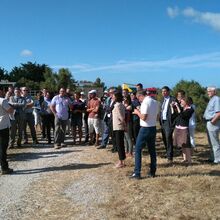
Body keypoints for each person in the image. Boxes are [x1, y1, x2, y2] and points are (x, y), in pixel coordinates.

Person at [130, 88, 159, 179]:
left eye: (138, 98)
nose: (139, 100)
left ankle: (137, 173)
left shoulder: (145, 102)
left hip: (145, 128)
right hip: (153, 127)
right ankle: (152, 171)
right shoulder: (155, 102)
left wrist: (137, 112)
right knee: (152, 150)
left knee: (138, 150)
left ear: (140, 96)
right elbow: (157, 116)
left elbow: (144, 117)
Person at [172, 97, 194, 165]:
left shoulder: (190, 109)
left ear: (186, 102)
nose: (180, 103)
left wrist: (178, 107)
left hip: (184, 128)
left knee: (186, 145)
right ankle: (185, 159)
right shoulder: (182, 108)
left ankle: (189, 161)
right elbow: (175, 114)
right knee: (182, 144)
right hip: (178, 127)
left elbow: (183, 116)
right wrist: (172, 107)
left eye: (181, 101)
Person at [159, 86, 178, 163]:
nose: (163, 93)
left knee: (168, 139)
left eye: (165, 91)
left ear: (168, 91)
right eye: (162, 91)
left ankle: (170, 157)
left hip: (169, 122)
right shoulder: (162, 100)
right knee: (164, 139)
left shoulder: (173, 99)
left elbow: (176, 111)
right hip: (162, 122)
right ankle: (168, 154)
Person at [203, 86, 220, 164]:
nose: (208, 92)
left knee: (215, 142)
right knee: (211, 142)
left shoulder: (216, 99)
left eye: (209, 91)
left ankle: (217, 159)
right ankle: (212, 157)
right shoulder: (212, 100)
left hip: (213, 123)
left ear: (214, 91)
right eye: (207, 91)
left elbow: (218, 113)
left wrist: (212, 121)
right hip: (209, 122)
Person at [0, 86, 14, 175]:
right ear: (1, 91)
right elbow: (10, 110)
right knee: (2, 148)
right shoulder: (2, 100)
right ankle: (4, 168)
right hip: (2, 126)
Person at [112, 91, 126, 168]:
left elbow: (121, 117)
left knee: (119, 145)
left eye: (113, 96)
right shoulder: (121, 105)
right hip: (118, 127)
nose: (112, 97)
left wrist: (125, 126)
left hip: (118, 127)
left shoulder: (117, 105)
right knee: (120, 144)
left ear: (116, 97)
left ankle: (121, 162)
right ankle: (122, 161)